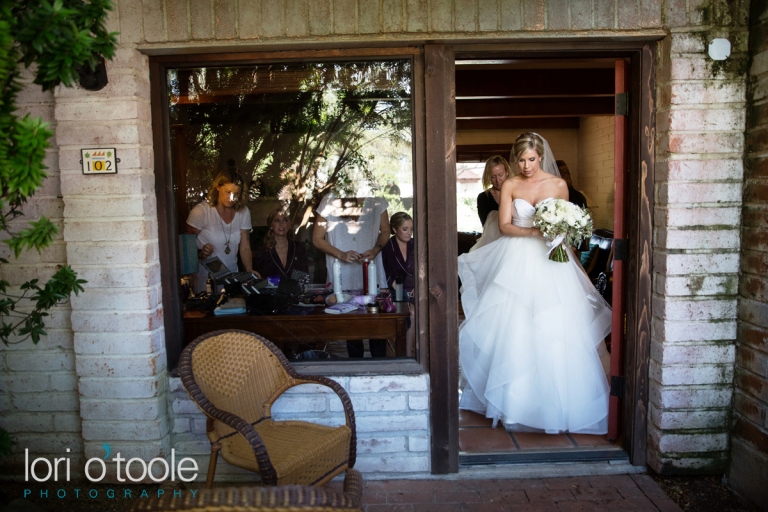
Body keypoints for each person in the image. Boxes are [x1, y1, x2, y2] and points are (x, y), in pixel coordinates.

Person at [458, 132, 612, 434]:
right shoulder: (512, 185)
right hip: (518, 256)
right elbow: (504, 226)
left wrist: (557, 234)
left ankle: (556, 405)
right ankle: (514, 404)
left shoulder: (558, 185)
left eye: (531, 159)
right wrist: (534, 234)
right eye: (521, 160)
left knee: (555, 325)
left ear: (540, 156)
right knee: (516, 326)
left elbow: (565, 225)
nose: (526, 165)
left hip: (552, 260)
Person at [313, 194, 390, 358]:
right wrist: (341, 254)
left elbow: (385, 231)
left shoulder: (376, 199)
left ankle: (379, 372)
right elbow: (317, 239)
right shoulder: (329, 200)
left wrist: (375, 251)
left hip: (371, 272)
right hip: (343, 276)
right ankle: (357, 371)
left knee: (377, 327)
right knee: (352, 330)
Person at [186, 171, 253, 293]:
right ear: (217, 187)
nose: (232, 198)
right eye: (228, 192)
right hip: (206, 281)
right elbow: (185, 248)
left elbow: (245, 247)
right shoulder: (201, 211)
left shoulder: (243, 212)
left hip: (232, 277)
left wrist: (249, 271)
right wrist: (200, 253)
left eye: (236, 193)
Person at [381, 212, 415, 356]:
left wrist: (417, 286)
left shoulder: (415, 244)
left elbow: (422, 268)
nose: (409, 233)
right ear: (394, 229)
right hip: (394, 288)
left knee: (421, 310)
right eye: (405, 229)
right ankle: (404, 353)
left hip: (414, 288)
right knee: (409, 313)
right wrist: (396, 286)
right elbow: (383, 269)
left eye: (411, 229)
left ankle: (412, 350)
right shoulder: (387, 246)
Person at [253, 207, 309, 281]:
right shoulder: (263, 251)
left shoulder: (299, 248)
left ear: (289, 225)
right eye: (277, 221)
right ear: (271, 226)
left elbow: (303, 277)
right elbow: (259, 280)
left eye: (285, 220)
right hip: (271, 292)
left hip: (295, 291)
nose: (281, 224)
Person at [476, 155, 512, 227]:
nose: (498, 180)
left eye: (500, 175)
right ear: (488, 177)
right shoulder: (483, 198)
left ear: (507, 172)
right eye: (493, 177)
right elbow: (485, 225)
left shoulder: (517, 193)